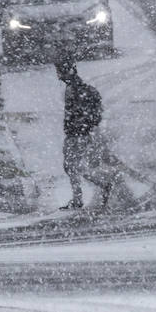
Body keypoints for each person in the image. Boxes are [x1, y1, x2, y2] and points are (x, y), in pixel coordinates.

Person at [56, 55, 112, 210]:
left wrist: (74, 126)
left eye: (59, 71)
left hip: (77, 134)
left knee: (73, 166)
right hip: (79, 133)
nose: (58, 75)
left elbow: (74, 113)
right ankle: (81, 195)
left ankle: (100, 185)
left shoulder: (73, 88)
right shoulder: (76, 87)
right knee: (73, 166)